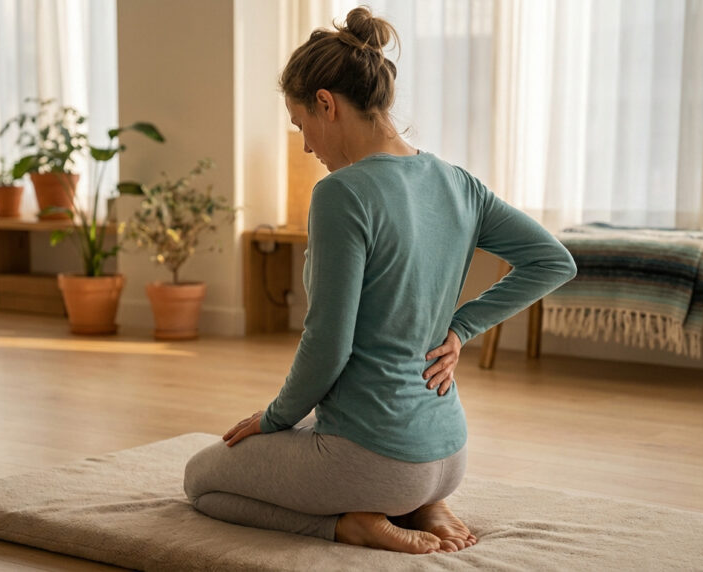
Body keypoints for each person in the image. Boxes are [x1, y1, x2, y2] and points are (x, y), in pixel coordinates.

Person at [184, 6, 576, 554]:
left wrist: (274, 419)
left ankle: (351, 524)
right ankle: (425, 506)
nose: (306, 146)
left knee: (201, 480)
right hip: (449, 454)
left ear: (327, 104)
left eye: (302, 126)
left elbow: (328, 345)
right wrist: (460, 328)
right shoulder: (457, 182)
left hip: (374, 461)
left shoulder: (341, 194)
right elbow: (553, 260)